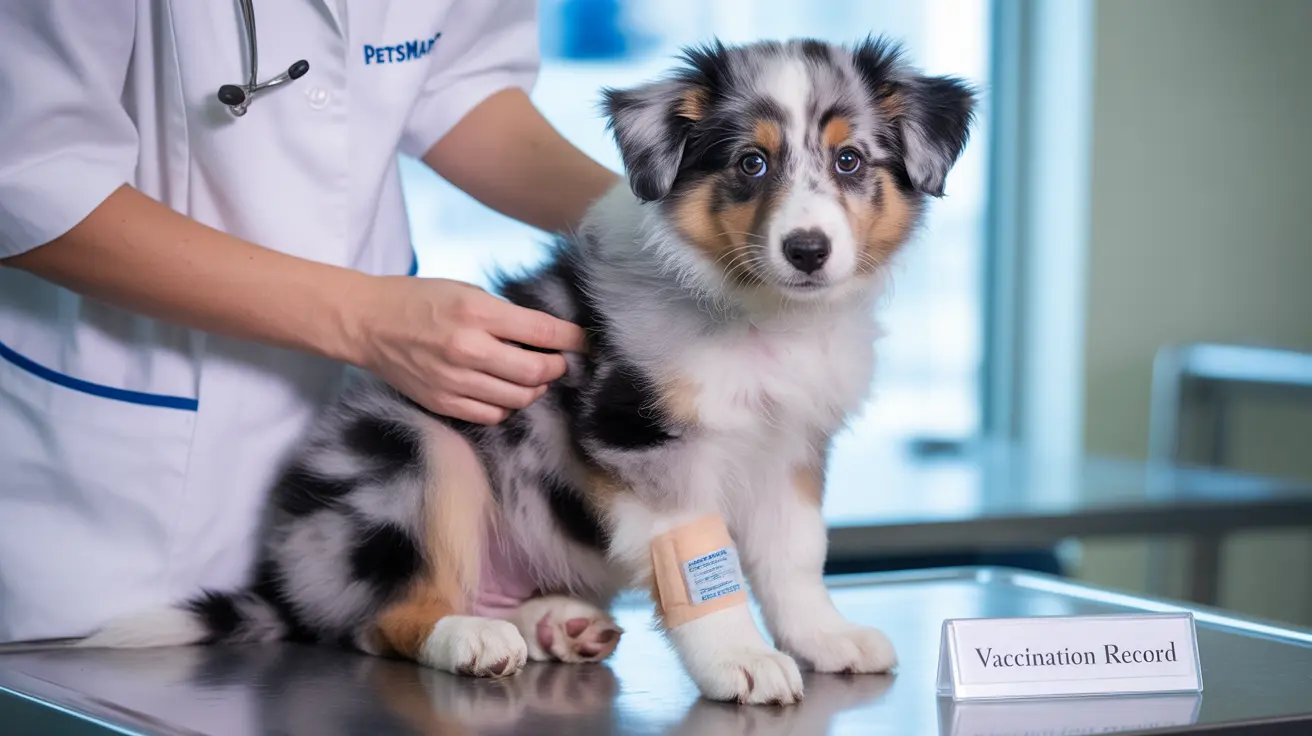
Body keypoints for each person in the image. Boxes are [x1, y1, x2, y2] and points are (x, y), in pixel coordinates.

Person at [0, 1, 618, 643]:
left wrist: (647, 221)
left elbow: (456, 82)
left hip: (386, 495)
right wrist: (365, 320)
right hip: (122, 499)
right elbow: (30, 173)